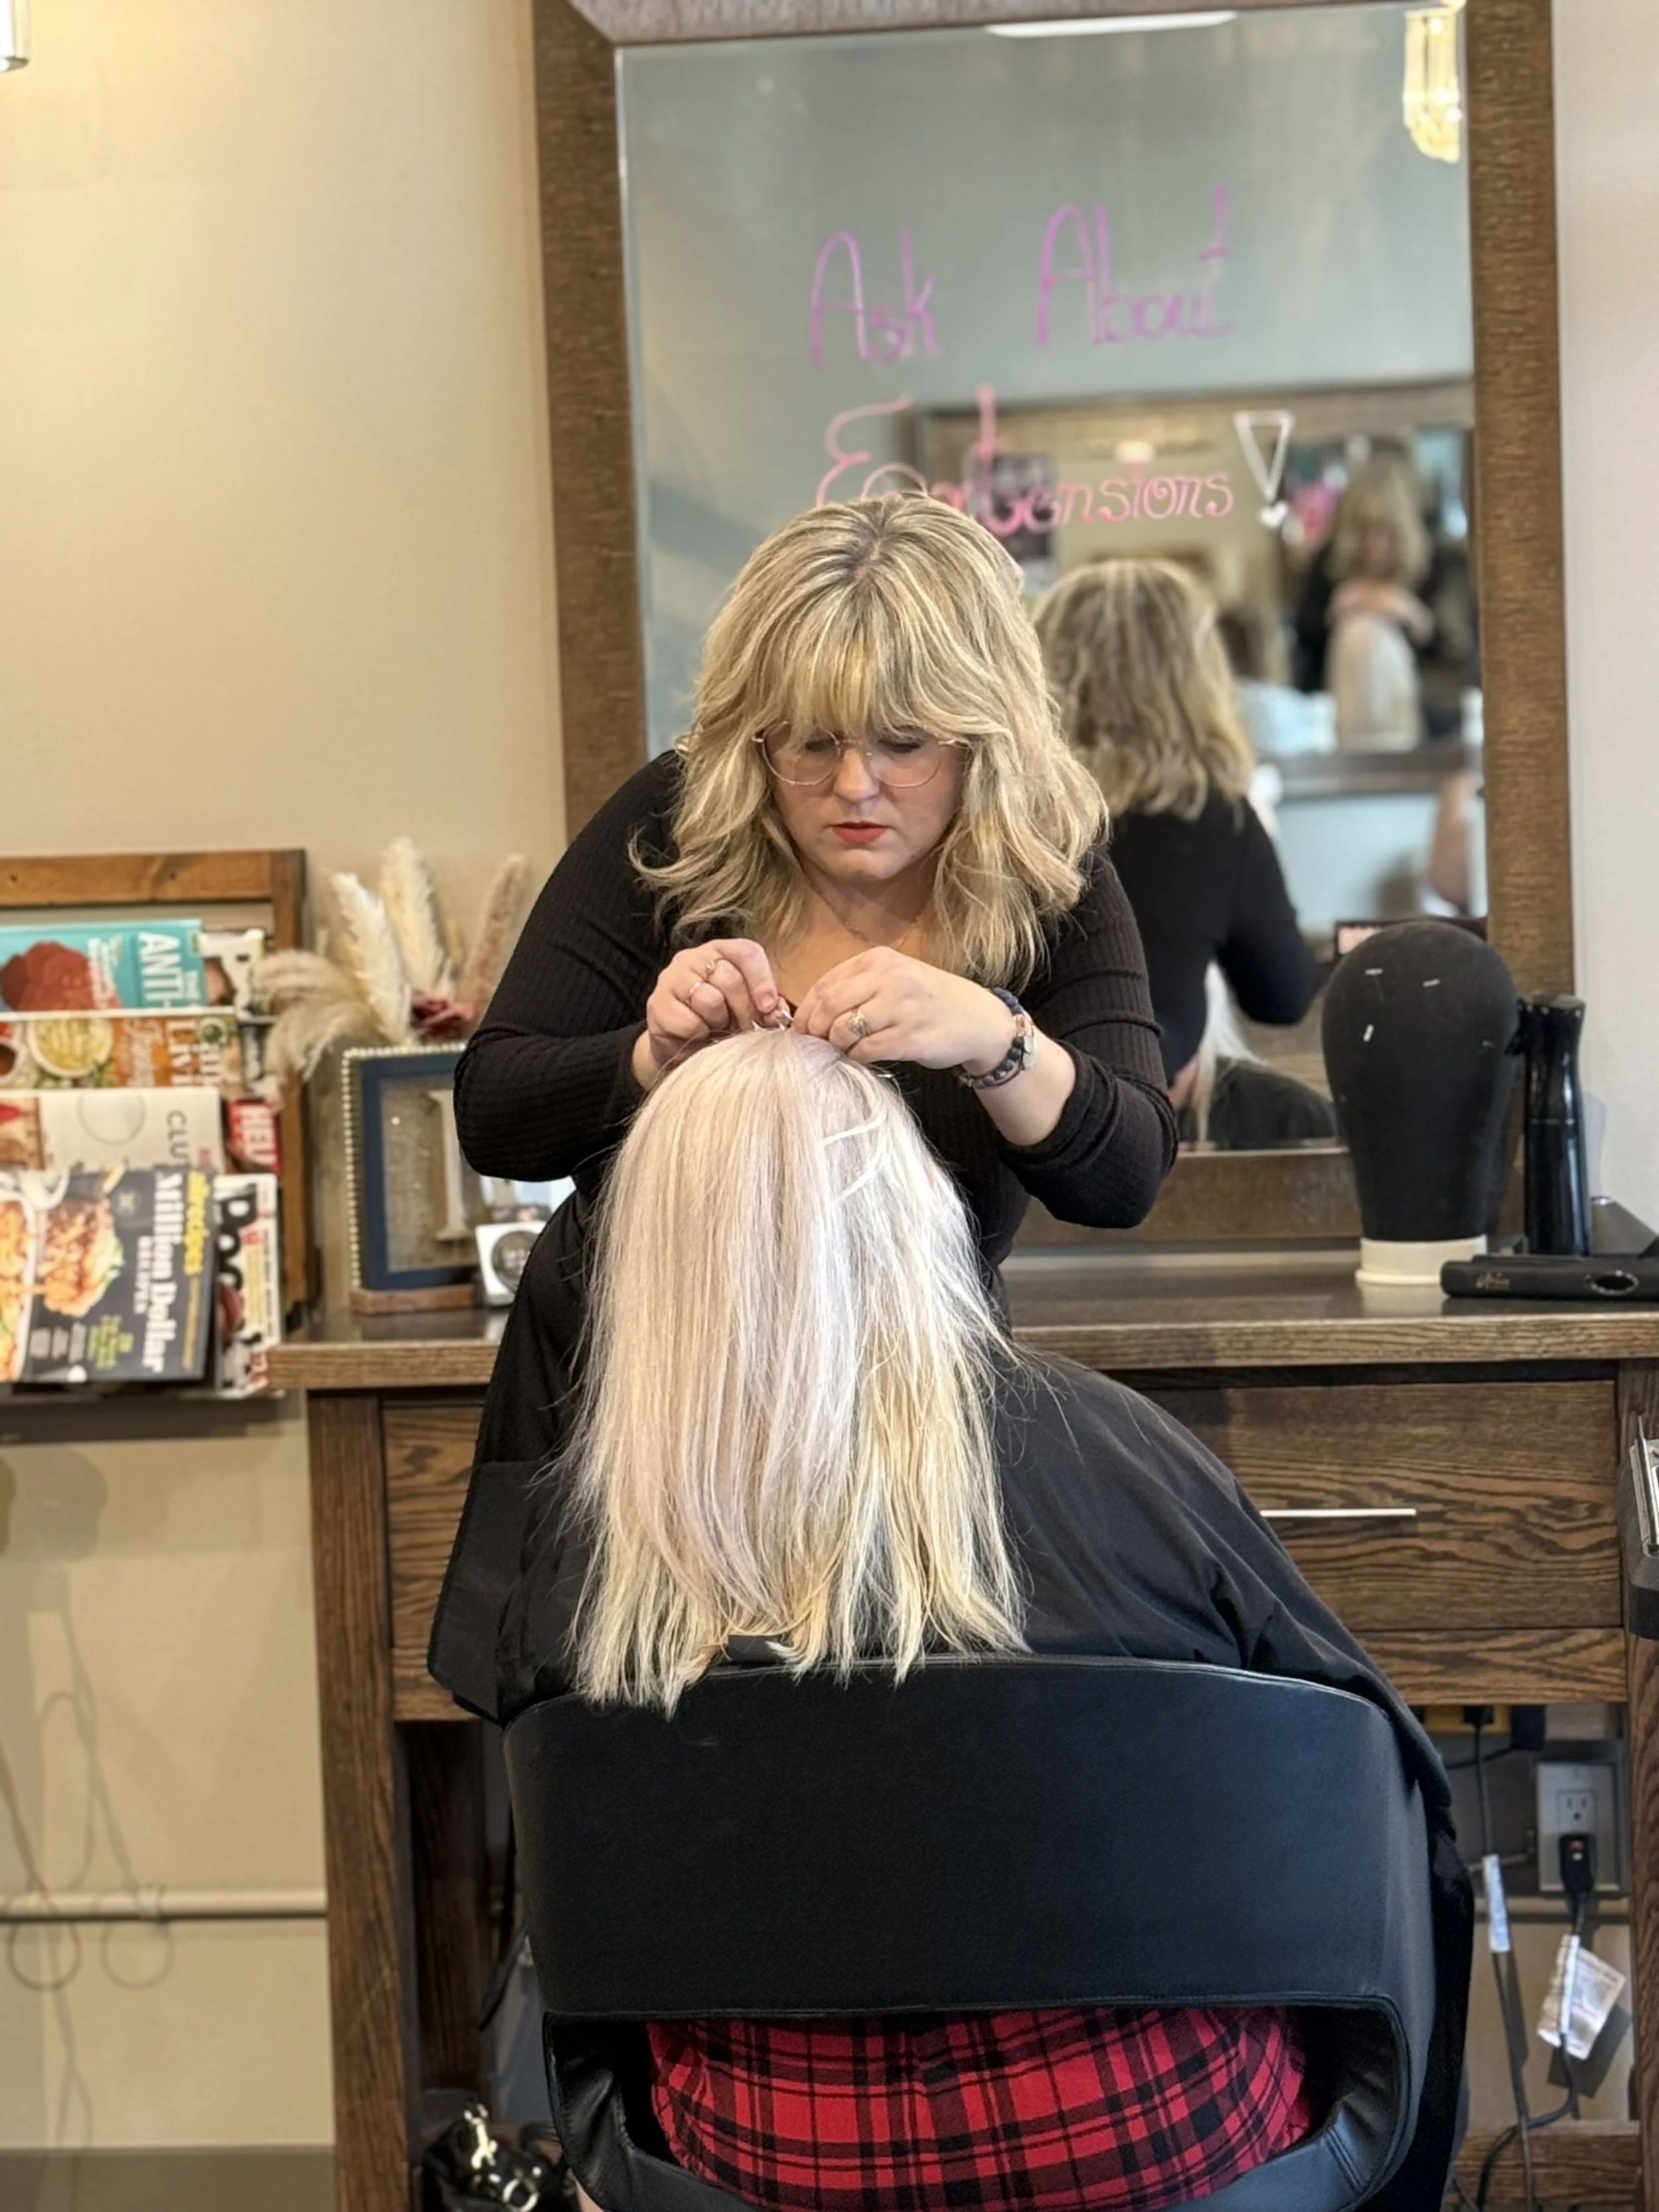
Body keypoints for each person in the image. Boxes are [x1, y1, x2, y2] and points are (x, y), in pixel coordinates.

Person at [501, 1031, 1470, 2212]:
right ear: (907, 1205)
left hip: (774, 2152)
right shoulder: (1116, 1447)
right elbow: (1373, 1781)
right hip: (1156, 2135)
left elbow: (584, 1940)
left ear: (650, 1265)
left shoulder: (595, 1547)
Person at [430, 494, 1175, 1720]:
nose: (853, 785)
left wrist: (991, 1036)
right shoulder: (678, 831)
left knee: (871, 1778)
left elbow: (1124, 1174)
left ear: (983, 734)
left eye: (905, 742)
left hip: (898, 1425)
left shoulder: (1045, 874)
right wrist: (648, 1054)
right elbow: (496, 1114)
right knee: (619, 1779)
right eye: (808, 743)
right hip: (637, 1402)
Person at [1034, 557, 1320, 1088]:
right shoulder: (1217, 822)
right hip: (1140, 1123)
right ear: (1195, 677)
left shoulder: (1012, 820)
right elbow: (1283, 996)